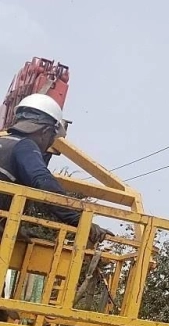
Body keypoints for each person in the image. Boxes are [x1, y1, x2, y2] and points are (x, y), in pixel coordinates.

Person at [0, 93, 109, 244]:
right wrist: (80, 221)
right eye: (52, 137)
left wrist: (14, 229)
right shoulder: (24, 146)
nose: (49, 144)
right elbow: (44, 183)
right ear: (45, 131)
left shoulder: (4, 142)